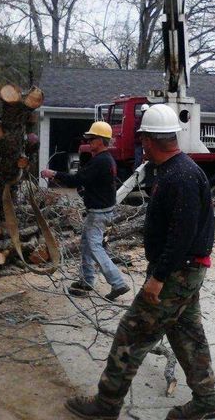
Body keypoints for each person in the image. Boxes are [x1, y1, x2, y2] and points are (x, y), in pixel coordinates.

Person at [65, 104, 215, 420]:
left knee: (130, 335)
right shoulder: (178, 170)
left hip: (176, 273)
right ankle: (206, 403)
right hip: (184, 271)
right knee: (187, 334)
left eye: (142, 140)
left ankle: (106, 406)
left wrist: (158, 277)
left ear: (149, 140)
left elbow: (182, 235)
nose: (141, 145)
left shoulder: (182, 176)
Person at [41, 121, 130, 301]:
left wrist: (54, 174)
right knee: (86, 245)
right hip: (101, 210)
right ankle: (86, 280)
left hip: (98, 212)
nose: (88, 140)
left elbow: (76, 180)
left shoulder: (101, 161)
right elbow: (88, 182)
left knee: (94, 247)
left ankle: (118, 283)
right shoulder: (104, 160)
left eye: (92, 138)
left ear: (101, 140)